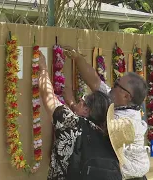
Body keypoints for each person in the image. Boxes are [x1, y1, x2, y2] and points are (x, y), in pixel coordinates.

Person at [38, 51, 134, 180]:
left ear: (86, 110)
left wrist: (43, 68)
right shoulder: (110, 146)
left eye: (81, 101)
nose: (78, 102)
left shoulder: (74, 124)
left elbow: (48, 96)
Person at [63, 46, 149, 180]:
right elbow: (96, 82)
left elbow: (83, 116)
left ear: (127, 96)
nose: (112, 86)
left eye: (116, 85)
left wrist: (72, 103)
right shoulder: (119, 102)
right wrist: (77, 57)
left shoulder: (123, 121)